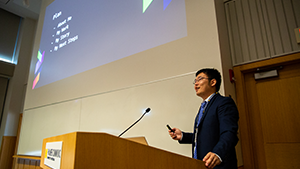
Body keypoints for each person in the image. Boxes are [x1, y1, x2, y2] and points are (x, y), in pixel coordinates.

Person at [169, 68, 239, 169]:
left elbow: (229, 132)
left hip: (217, 165)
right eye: (195, 81)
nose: (195, 84)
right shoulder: (204, 106)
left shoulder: (223, 103)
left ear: (213, 82)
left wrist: (218, 154)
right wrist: (183, 136)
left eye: (200, 79)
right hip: (201, 164)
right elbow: (206, 136)